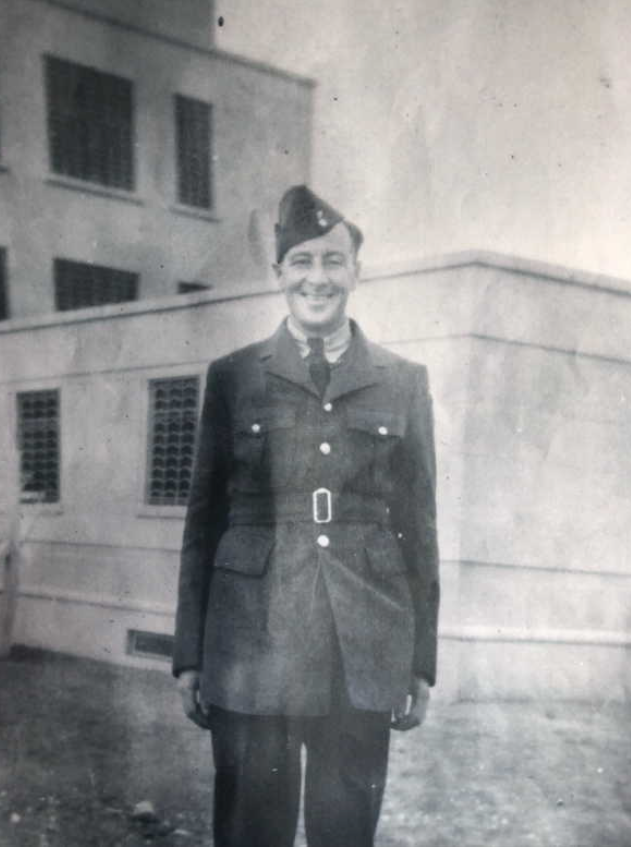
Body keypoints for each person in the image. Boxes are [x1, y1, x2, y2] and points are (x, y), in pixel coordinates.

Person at [173, 185, 440, 847]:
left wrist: (420, 662)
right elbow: (203, 520)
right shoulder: (234, 376)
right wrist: (189, 654)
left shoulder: (402, 380)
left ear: (356, 272)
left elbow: (419, 525)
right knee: (249, 828)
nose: (316, 278)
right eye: (301, 261)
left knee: (345, 829)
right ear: (278, 273)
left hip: (363, 639)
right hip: (251, 639)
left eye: (332, 261)